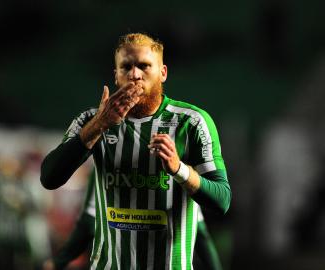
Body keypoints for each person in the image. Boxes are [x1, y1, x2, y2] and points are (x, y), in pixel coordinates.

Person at [40, 33, 231, 269]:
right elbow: (49, 178)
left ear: (163, 72)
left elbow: (222, 199)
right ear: (116, 75)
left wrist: (179, 169)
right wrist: (100, 125)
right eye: (126, 67)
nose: (135, 74)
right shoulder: (91, 121)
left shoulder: (191, 122)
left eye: (144, 66)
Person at [43, 172, 224, 270]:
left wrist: (59, 261)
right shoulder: (180, 170)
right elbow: (200, 234)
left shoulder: (107, 161)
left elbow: (90, 221)